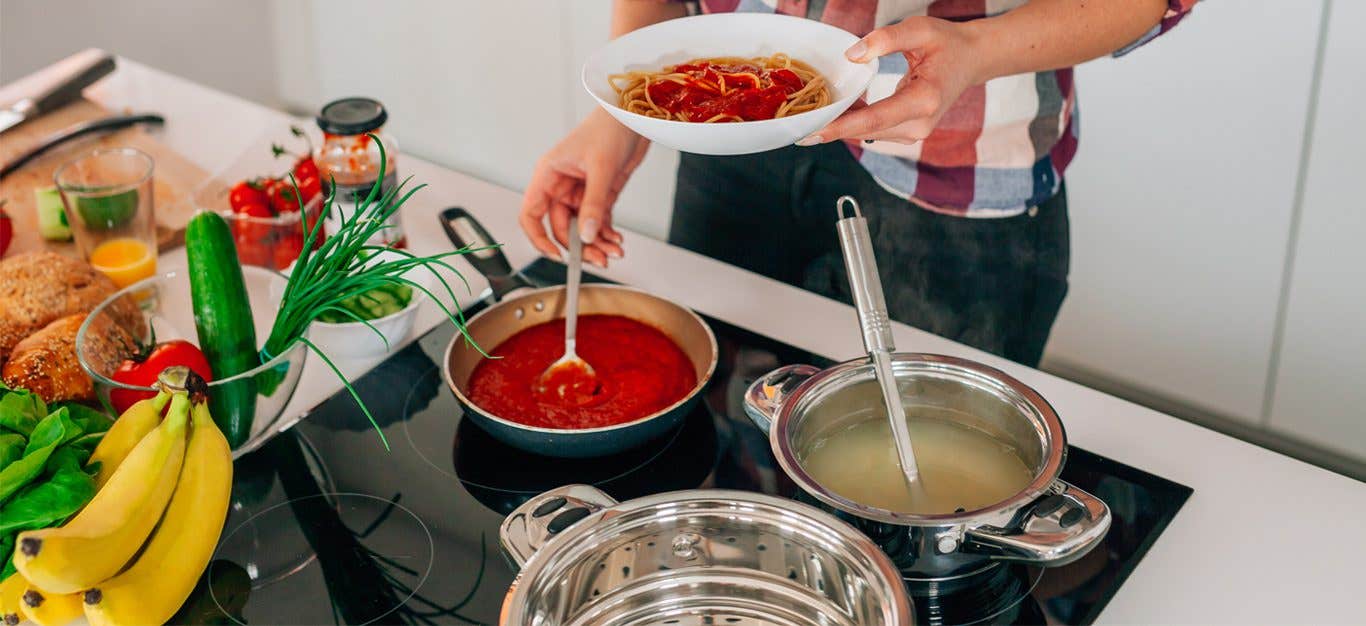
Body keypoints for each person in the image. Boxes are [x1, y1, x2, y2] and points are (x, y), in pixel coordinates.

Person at [520, 0, 1197, 367]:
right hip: (733, 137)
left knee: (929, 468)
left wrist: (979, 50)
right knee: (727, 414)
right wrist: (624, 113)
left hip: (963, 162)